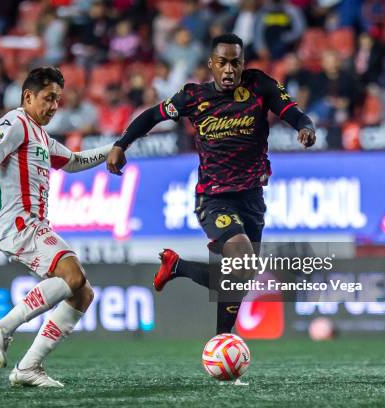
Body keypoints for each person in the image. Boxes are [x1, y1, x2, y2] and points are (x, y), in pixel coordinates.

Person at [107, 34, 315, 338]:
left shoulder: (260, 86)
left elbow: (292, 111)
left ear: (243, 64)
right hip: (214, 198)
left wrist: (305, 127)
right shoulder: (193, 97)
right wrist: (121, 144)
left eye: (236, 62)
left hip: (252, 199)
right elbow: (153, 115)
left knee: (239, 277)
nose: (229, 70)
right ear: (211, 65)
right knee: (242, 262)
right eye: (223, 63)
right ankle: (222, 341)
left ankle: (202, 308)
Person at [0, 67, 112, 388]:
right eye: (48, 98)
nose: (54, 106)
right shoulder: (13, 123)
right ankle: (1, 328)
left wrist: (113, 147)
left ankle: (29, 367)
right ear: (27, 96)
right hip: (18, 224)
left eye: (58, 99)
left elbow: (73, 161)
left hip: (34, 225)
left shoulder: (40, 135)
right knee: (72, 276)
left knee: (82, 293)